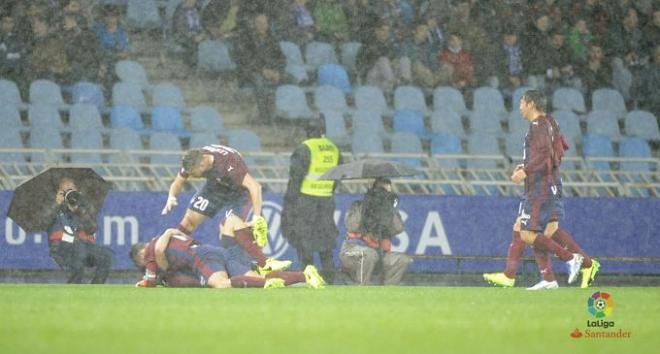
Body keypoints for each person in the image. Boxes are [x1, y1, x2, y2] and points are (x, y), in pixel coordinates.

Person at [483, 90, 592, 290]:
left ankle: (571, 259)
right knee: (539, 229)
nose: (520, 107)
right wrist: (532, 166)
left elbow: (544, 154)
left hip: (540, 188)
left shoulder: (538, 126)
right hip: (548, 183)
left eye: (522, 102)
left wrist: (526, 170)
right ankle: (547, 278)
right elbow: (558, 151)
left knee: (526, 233)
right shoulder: (551, 122)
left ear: (531, 104)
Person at [161, 144, 291, 274]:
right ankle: (169, 261)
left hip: (238, 193)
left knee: (227, 227)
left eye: (193, 173)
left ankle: (253, 267)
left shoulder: (229, 164)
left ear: (201, 166)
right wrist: (171, 196)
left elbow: (255, 187)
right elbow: (178, 182)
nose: (192, 176)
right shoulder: (194, 158)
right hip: (215, 188)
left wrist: (257, 217)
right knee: (189, 221)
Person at [130, 228, 325, 289]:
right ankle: (305, 275)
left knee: (221, 284)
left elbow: (155, 266)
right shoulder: (166, 238)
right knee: (256, 278)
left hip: (200, 257)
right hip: (212, 251)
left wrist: (144, 282)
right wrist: (168, 232)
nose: (145, 259)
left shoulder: (151, 251)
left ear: (141, 254)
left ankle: (269, 282)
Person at [281, 118, 340, 283]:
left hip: (306, 200)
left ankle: (308, 275)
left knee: (304, 239)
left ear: (307, 131)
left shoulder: (305, 148)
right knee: (326, 239)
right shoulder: (334, 149)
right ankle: (329, 275)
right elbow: (337, 178)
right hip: (327, 200)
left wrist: (289, 203)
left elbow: (295, 178)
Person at [339, 178, 412, 285]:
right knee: (370, 254)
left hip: (380, 254)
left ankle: (386, 293)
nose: (385, 194)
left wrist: (389, 209)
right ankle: (361, 289)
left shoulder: (388, 211)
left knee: (402, 259)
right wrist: (367, 206)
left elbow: (398, 228)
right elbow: (351, 226)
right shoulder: (359, 205)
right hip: (351, 251)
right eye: (383, 191)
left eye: (388, 192)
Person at [47, 177, 113, 284]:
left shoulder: (84, 208)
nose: (69, 194)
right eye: (65, 191)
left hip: (84, 247)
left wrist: (81, 211)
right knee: (79, 248)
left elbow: (92, 228)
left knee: (106, 255)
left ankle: (96, 288)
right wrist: (57, 204)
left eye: (71, 190)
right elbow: (46, 221)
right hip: (63, 248)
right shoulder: (55, 210)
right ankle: (74, 285)